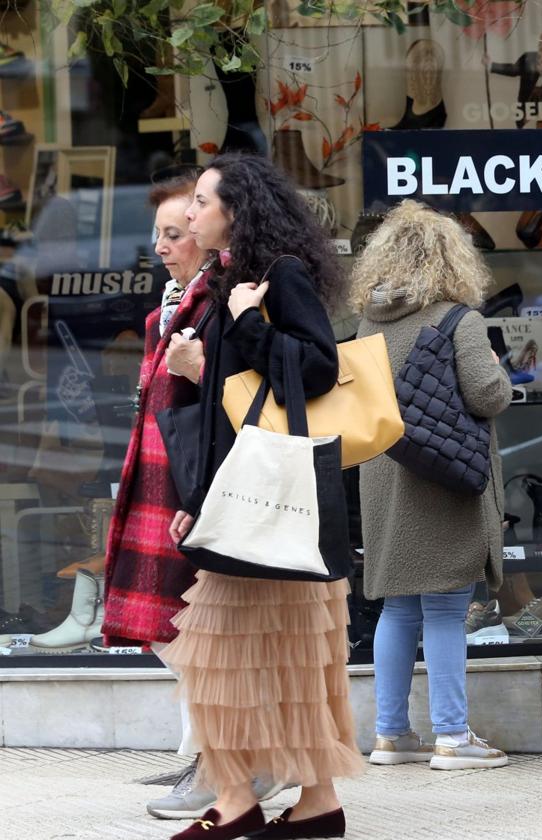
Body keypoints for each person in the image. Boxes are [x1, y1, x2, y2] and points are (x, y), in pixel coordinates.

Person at [160, 154, 362, 840]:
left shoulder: (279, 278)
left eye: (201, 202)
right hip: (247, 502)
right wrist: (199, 491)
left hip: (283, 506)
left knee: (237, 654)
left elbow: (316, 367)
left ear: (236, 212)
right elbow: (234, 409)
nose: (190, 214)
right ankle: (312, 804)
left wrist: (245, 324)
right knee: (279, 659)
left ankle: (253, 802)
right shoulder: (230, 280)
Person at [100, 172, 281, 820]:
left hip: (201, 481)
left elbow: (264, 388)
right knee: (177, 631)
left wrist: (199, 370)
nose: (164, 245)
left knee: (200, 632)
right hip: (170, 478)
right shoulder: (171, 308)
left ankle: (232, 761)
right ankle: (213, 753)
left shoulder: (230, 299)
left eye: (177, 230)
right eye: (161, 234)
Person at [352, 200, 512, 771]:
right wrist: (498, 367)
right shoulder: (457, 320)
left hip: (384, 478)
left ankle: (390, 734)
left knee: (397, 609)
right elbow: (488, 396)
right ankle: (452, 735)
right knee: (446, 607)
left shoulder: (368, 323)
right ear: (451, 260)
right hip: (441, 481)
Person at [483, 29, 542, 128]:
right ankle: (530, 123)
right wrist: (490, 65)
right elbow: (513, 70)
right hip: (526, 114)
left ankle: (536, 123)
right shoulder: (529, 59)